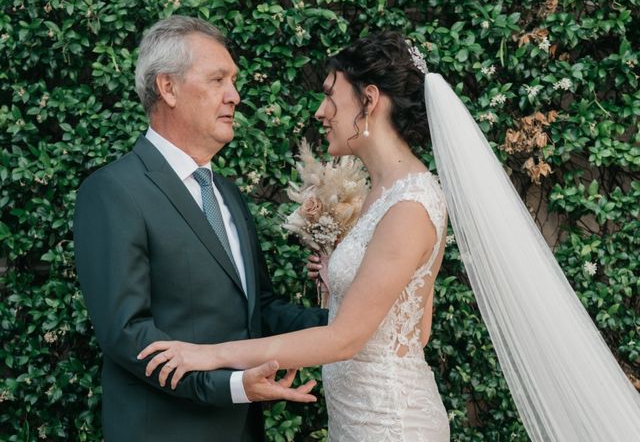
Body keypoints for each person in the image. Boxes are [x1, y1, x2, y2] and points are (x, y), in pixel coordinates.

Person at [138, 32, 452, 441]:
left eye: (330, 96)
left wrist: (208, 354)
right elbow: (414, 328)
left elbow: (343, 340)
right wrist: (337, 288)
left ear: (369, 100)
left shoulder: (410, 204)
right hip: (358, 417)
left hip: (391, 423)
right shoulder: (382, 192)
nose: (322, 112)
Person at [73, 15, 327, 442]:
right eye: (217, 80)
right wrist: (230, 386)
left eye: (234, 81)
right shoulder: (112, 191)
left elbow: (258, 308)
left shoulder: (226, 193)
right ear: (167, 88)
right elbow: (128, 334)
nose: (235, 95)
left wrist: (345, 321)